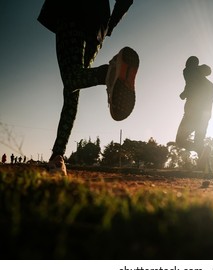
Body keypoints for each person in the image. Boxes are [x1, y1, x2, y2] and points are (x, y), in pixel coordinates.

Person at [37, 0, 139, 176]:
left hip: (69, 11)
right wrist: (108, 26)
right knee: (73, 87)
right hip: (97, 26)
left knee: (71, 80)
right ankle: (57, 157)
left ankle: (108, 73)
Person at [175, 57, 213, 179]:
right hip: (204, 118)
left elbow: (191, 62)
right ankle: (208, 173)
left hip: (191, 115)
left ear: (200, 69)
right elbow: (210, 103)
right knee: (199, 143)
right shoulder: (209, 84)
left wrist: (184, 94)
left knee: (180, 140)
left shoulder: (191, 73)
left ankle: (199, 150)